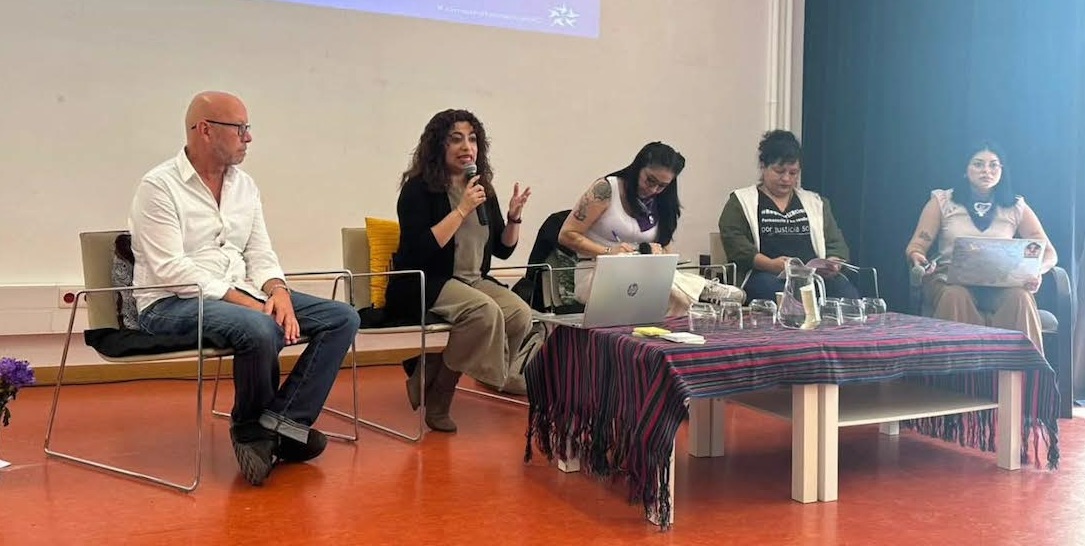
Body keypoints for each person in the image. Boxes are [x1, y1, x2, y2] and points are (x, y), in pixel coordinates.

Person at [129, 91, 361, 486]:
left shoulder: (245, 186)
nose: (248, 137)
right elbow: (171, 270)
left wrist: (278, 291)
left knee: (342, 317)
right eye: (240, 128)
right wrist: (249, 304)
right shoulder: (159, 186)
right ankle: (251, 431)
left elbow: (259, 252)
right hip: (169, 302)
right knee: (260, 326)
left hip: (242, 290)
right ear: (205, 130)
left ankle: (282, 423)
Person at [383, 109, 539, 433]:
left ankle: (429, 370)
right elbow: (419, 250)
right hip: (426, 280)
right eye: (456, 139)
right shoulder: (418, 189)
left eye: (472, 139)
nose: (467, 147)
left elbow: (503, 249)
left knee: (519, 314)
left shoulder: (482, 188)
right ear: (438, 146)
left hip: (472, 280)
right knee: (484, 313)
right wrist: (462, 209)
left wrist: (514, 217)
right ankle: (441, 397)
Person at [558, 142, 743, 316]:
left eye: (662, 186)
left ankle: (698, 298)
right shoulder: (606, 189)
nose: (653, 189)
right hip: (597, 273)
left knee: (662, 286)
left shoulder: (662, 202)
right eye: (650, 180)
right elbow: (567, 235)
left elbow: (666, 249)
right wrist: (608, 252)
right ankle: (701, 291)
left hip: (643, 273)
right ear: (638, 168)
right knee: (661, 289)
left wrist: (659, 256)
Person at [904, 141, 1057, 350]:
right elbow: (917, 246)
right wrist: (917, 256)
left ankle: (1021, 370)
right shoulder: (942, 202)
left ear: (1002, 170)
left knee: (1021, 297)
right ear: (965, 169)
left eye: (993, 165)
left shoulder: (1015, 206)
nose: (987, 170)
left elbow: (1049, 253)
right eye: (978, 164)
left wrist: (1036, 272)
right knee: (955, 296)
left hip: (1002, 281)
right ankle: (956, 371)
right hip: (950, 279)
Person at [718, 129, 860, 302]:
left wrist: (833, 263)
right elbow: (735, 243)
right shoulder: (741, 201)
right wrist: (770, 264)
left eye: (793, 173)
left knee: (847, 295)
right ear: (763, 166)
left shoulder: (815, 203)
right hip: (766, 275)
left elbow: (835, 242)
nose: (786, 179)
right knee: (785, 295)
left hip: (813, 276)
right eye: (779, 171)